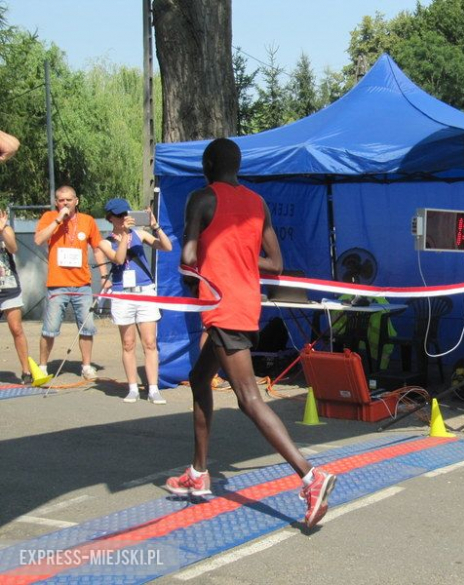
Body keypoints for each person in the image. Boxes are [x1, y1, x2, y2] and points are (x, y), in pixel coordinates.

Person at [165, 138, 337, 529]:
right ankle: (198, 472)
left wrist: (207, 261)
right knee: (198, 379)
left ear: (209, 164)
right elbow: (275, 263)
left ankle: (311, 477)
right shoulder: (256, 204)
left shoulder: (201, 198)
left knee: (248, 398)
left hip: (222, 306)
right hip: (246, 304)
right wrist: (239, 253)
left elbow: (188, 257)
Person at [98, 198, 172, 404]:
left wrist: (155, 226)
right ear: (111, 218)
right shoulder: (105, 242)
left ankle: (153, 388)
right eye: (120, 216)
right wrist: (123, 238)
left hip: (145, 291)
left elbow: (167, 247)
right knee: (128, 343)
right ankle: (132, 387)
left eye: (126, 214)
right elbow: (119, 259)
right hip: (123, 293)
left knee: (149, 342)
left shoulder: (140, 234)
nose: (124, 219)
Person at [34, 185, 108, 380]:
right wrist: (58, 219)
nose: (65, 203)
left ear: (76, 201)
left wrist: (103, 274)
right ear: (56, 202)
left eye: (69, 200)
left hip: (82, 283)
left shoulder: (88, 221)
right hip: (57, 283)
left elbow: (98, 248)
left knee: (87, 327)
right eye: (61, 200)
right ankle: (42, 366)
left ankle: (86, 365)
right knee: (49, 329)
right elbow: (39, 240)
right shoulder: (49, 217)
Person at [0, 209, 32, 384]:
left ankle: (26, 371)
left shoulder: (7, 230)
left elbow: (13, 248)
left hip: (9, 286)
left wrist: (3, 229)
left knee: (16, 329)